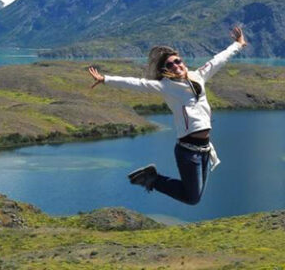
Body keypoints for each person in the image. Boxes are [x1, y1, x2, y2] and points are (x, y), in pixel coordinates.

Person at [87, 27, 247, 205]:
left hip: (204, 149)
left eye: (177, 61)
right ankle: (152, 179)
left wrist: (238, 44)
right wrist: (105, 79)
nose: (175, 65)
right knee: (192, 198)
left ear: (183, 62)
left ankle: (152, 178)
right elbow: (137, 83)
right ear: (166, 71)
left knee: (194, 197)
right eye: (170, 65)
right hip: (188, 151)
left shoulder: (199, 76)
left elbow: (219, 59)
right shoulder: (166, 86)